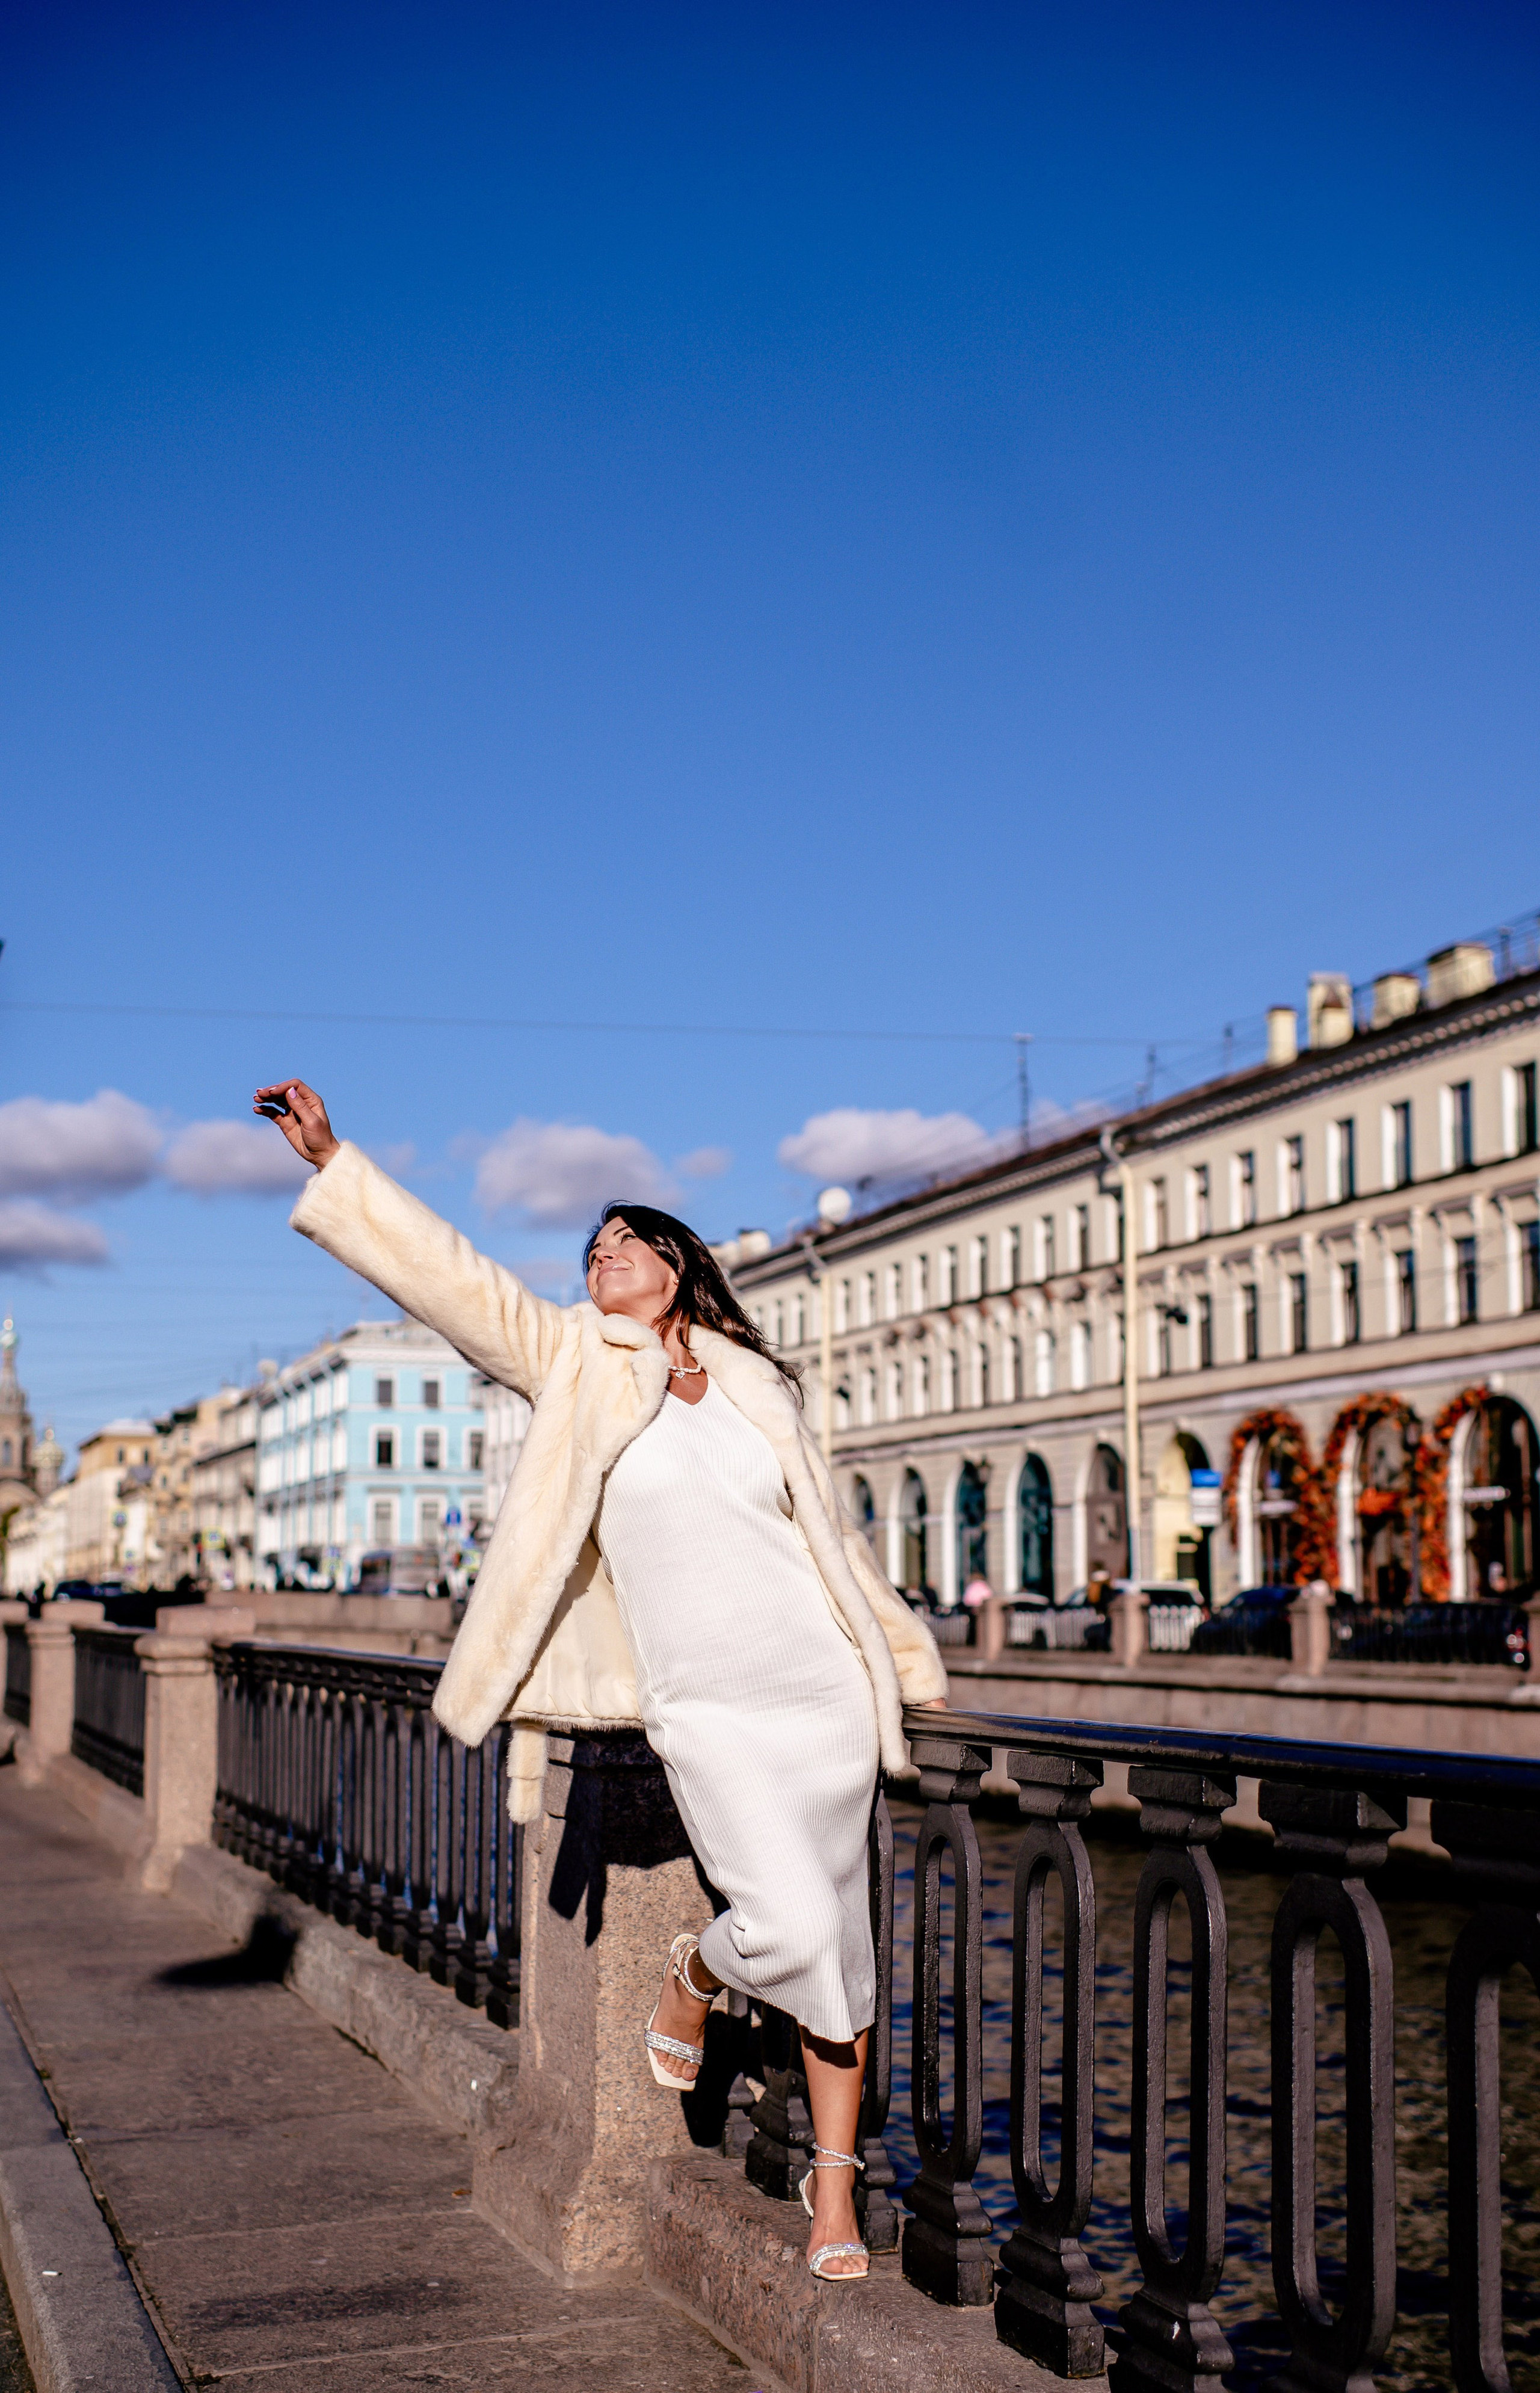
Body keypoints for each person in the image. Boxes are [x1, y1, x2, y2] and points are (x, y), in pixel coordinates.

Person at [254, 1080, 948, 2282]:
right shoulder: (572, 1361)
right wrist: (336, 1165)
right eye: (592, 1249)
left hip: (816, 1690)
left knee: (836, 1945)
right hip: (705, 1701)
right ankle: (691, 1972)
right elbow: (454, 1279)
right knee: (780, 1925)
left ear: (678, 1267)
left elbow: (825, 1543)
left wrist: (895, 1657)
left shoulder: (755, 1386)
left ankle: (829, 2192)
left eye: (628, 1242)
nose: (605, 1257)